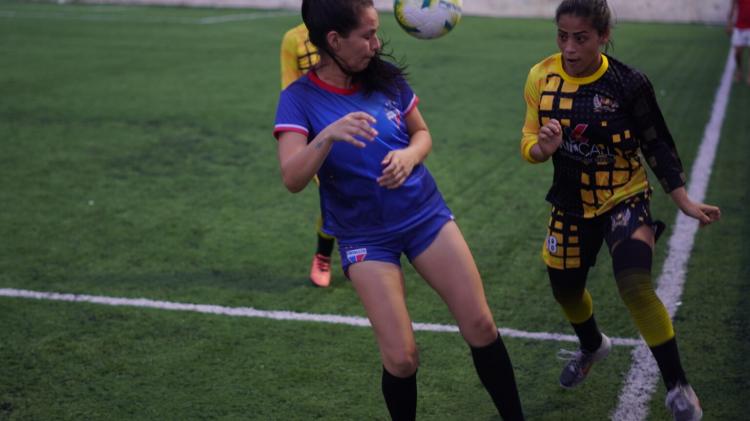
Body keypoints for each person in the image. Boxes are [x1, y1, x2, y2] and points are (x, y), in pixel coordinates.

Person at [274, 0, 525, 419]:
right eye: (368, 35)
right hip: (364, 237)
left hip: (425, 216)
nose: (377, 44)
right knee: (402, 358)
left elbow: (422, 133)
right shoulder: (298, 99)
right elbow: (292, 178)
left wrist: (410, 156)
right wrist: (328, 136)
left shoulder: (386, 76)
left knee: (481, 326)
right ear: (334, 40)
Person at [519, 1, 720, 420]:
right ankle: (593, 345)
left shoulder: (628, 83)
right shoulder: (541, 76)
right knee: (565, 290)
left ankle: (678, 386)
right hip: (570, 202)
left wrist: (683, 199)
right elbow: (528, 142)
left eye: (581, 38)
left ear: (604, 35)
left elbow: (656, 142)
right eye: (562, 36)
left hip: (623, 196)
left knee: (634, 285)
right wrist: (542, 148)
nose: (569, 48)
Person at [280, 22, 336, 287]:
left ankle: (370, 249)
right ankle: (323, 255)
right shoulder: (293, 39)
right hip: (317, 133)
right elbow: (290, 91)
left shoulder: (349, 28)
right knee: (334, 193)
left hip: (354, 118)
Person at [727, 0, 750, 84]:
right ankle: (740, 70)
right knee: (737, 52)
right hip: (739, 27)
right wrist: (729, 24)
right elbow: (732, 8)